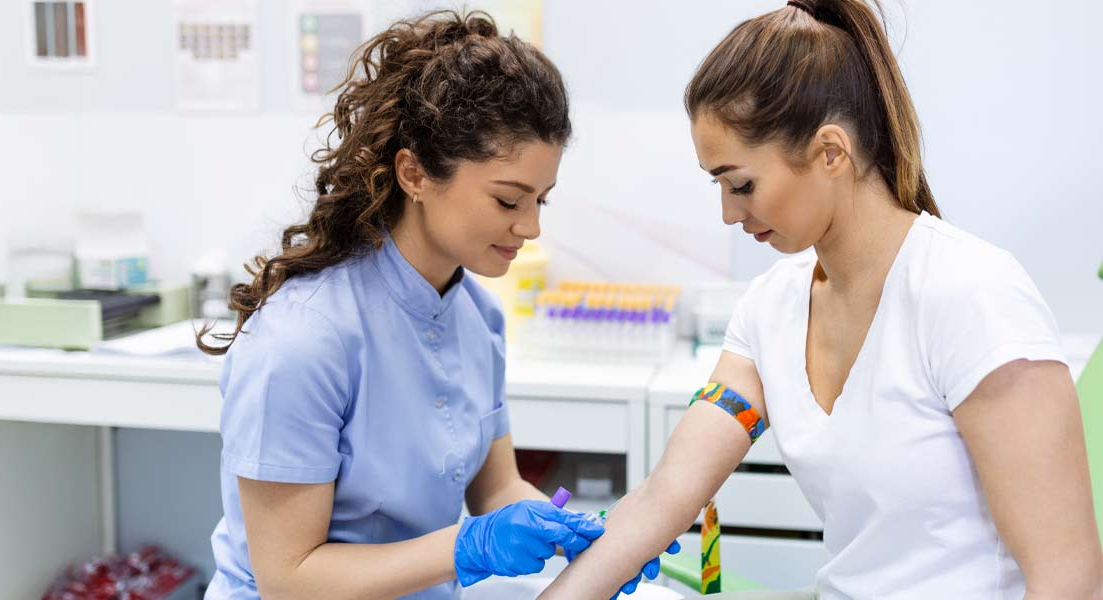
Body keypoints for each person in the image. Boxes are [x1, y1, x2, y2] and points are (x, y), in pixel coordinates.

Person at [540, 1, 1103, 598]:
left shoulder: (971, 296)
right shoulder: (769, 310)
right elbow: (666, 497)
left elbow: (1068, 576)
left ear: (831, 151)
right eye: (719, 186)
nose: (728, 213)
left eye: (741, 184)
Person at [196, 10, 608, 599]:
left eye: (541, 200)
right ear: (414, 174)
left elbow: (496, 491)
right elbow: (289, 578)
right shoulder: (303, 339)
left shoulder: (478, 317)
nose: (531, 227)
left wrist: (585, 536)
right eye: (508, 200)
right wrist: (467, 545)